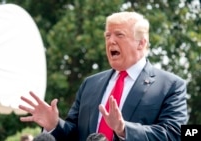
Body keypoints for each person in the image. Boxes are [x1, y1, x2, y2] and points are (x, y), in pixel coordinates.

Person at [18, 11, 188, 141]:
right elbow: (75, 134)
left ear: (141, 43)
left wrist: (123, 129)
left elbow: (173, 134)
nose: (110, 41)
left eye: (119, 35)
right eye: (108, 36)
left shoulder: (170, 86)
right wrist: (54, 125)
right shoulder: (90, 84)